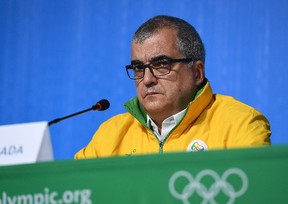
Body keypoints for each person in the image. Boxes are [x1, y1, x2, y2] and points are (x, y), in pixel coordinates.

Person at [75, 15, 271, 159]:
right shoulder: (110, 135)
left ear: (197, 72)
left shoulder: (239, 123)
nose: (147, 79)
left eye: (161, 64)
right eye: (138, 67)